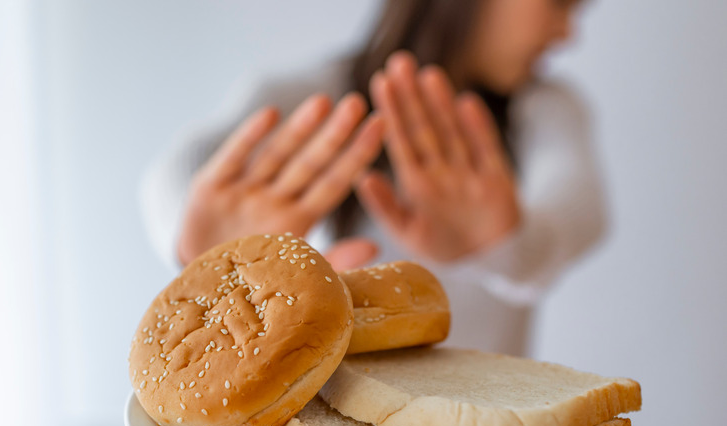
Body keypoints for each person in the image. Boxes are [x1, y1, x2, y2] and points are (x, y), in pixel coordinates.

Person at [141, 0, 605, 357]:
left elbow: (581, 207)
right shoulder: (325, 92)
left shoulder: (546, 108)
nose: (567, 34)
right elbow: (179, 166)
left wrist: (507, 246)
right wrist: (202, 246)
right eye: (559, 5)